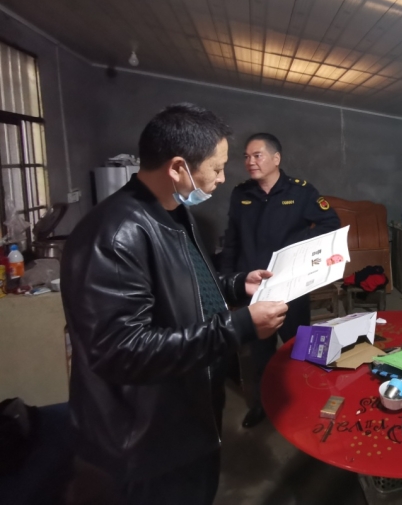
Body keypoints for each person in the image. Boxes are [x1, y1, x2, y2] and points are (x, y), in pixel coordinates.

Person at [61, 104, 289, 505]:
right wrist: (240, 327)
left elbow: (187, 284)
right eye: (216, 168)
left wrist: (238, 285)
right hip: (144, 444)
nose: (222, 178)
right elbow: (124, 351)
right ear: (178, 168)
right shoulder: (115, 235)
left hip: (188, 415)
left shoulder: (174, 212)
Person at [220, 132, 340, 427]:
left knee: (300, 346)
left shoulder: (300, 191)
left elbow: (330, 223)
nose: (250, 161)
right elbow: (232, 241)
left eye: (257, 155)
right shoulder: (241, 194)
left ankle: (305, 397)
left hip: (291, 286)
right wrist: (226, 281)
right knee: (258, 352)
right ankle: (261, 405)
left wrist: (297, 249)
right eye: (246, 156)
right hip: (254, 288)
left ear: (276, 158)